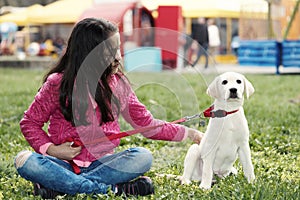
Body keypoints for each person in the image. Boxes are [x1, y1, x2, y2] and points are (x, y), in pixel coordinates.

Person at [14, 18, 203, 199]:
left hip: (104, 164)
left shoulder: (118, 85)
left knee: (143, 157)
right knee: (25, 161)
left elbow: (148, 125)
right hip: (63, 164)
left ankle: (61, 187)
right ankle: (111, 189)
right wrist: (54, 150)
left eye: (118, 48)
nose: (118, 57)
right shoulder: (57, 83)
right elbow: (30, 122)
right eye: (109, 51)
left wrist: (189, 133)